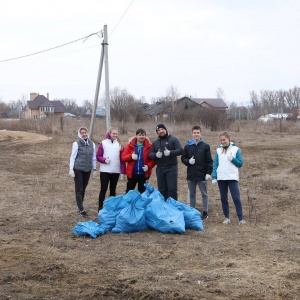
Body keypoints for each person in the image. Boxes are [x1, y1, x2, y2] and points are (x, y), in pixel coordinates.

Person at [211, 132, 246, 225]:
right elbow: (215, 164)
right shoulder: (218, 150)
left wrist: (232, 159)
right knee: (223, 198)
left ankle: (240, 218)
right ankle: (227, 217)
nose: (223, 142)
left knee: (236, 197)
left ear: (228, 139)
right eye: (221, 140)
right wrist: (214, 176)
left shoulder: (236, 149)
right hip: (221, 177)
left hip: (232, 177)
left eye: (224, 140)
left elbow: (240, 163)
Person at [181, 126, 213, 220]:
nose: (196, 134)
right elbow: (183, 158)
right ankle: (192, 211)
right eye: (194, 133)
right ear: (192, 134)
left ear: (200, 134)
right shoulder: (187, 146)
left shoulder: (205, 146)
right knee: (192, 194)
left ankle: (205, 211)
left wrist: (208, 172)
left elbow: (209, 161)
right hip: (191, 175)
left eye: (198, 132)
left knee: (204, 194)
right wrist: (188, 161)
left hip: (202, 175)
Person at [149, 124, 183, 200]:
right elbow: (150, 154)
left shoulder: (173, 139)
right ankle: (164, 207)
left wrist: (170, 152)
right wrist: (156, 155)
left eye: (162, 129)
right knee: (162, 190)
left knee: (172, 189)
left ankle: (173, 207)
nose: (161, 131)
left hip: (171, 168)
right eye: (158, 130)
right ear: (157, 133)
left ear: (165, 129)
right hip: (160, 169)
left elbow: (180, 150)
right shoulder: (155, 142)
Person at [69, 126, 97, 217]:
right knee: (79, 189)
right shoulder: (76, 144)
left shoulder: (92, 144)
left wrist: (95, 169)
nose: (84, 134)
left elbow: (93, 157)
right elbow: (73, 157)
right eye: (82, 133)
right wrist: (71, 169)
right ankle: (81, 209)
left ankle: (80, 206)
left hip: (87, 169)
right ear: (79, 134)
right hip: (78, 169)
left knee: (83, 189)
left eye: (85, 132)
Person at [96, 127, 126, 211]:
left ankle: (112, 208)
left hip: (116, 171)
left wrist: (123, 172)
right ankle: (100, 207)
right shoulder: (103, 143)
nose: (115, 135)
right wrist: (104, 160)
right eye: (113, 133)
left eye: (116, 134)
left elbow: (122, 159)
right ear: (109, 134)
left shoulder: (120, 144)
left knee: (113, 190)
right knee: (103, 189)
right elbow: (98, 156)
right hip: (105, 170)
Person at [121, 128, 156, 193]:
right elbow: (123, 157)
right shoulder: (130, 145)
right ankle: (129, 203)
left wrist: (148, 166)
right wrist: (131, 156)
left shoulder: (149, 146)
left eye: (143, 135)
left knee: (143, 193)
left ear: (145, 136)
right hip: (132, 173)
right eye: (139, 135)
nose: (141, 137)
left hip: (144, 174)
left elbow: (154, 160)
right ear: (136, 136)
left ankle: (141, 203)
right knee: (129, 192)